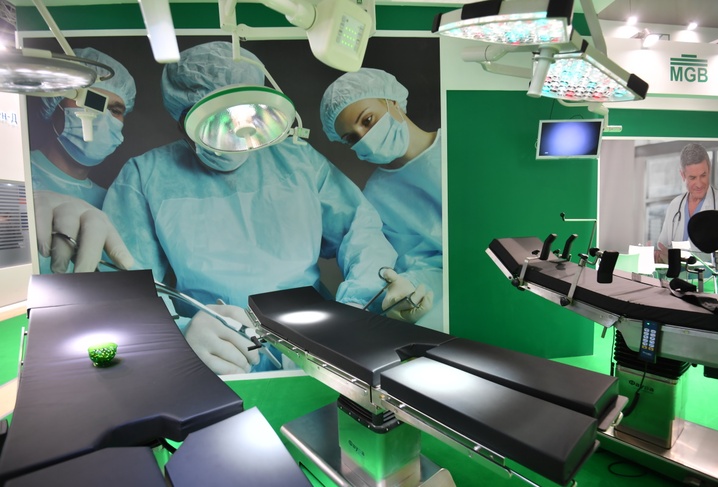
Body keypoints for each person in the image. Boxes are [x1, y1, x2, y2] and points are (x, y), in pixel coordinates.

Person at [103, 41, 431, 375]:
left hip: (316, 347)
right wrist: (179, 335)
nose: (236, 132)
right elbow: (125, 290)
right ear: (184, 120)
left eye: (246, 115)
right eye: (217, 121)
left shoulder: (297, 160)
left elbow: (360, 233)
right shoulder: (146, 175)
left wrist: (359, 307)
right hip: (219, 353)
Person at [320, 68, 443, 330]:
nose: (364, 139)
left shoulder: (462, 144)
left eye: (367, 120)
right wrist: (408, 289)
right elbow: (418, 265)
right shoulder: (376, 196)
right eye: (352, 138)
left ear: (393, 102)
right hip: (444, 302)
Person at [29, 47, 136, 274]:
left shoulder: (114, 200)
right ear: (55, 103)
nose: (103, 118)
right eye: (90, 102)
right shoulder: (13, 171)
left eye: (115, 110)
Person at [655, 143, 718, 263]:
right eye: (693, 178)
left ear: (709, 170)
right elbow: (663, 247)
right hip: (676, 275)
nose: (699, 184)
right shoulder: (675, 205)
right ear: (682, 175)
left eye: (703, 175)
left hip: (710, 275)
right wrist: (660, 256)